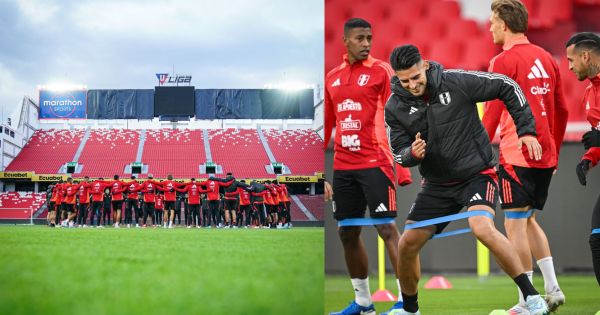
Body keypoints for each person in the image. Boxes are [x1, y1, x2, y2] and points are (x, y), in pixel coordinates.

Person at [384, 44, 548, 315]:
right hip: (436, 185)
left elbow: (506, 85)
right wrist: (411, 154)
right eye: (405, 80)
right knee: (406, 243)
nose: (412, 85)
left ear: (424, 65)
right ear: (397, 78)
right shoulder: (394, 106)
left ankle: (532, 297)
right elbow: (398, 153)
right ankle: (410, 310)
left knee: (481, 227)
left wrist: (526, 130)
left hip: (477, 175)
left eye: (416, 77)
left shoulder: (456, 81)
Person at [482, 0, 568, 310]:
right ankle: (553, 288)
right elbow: (562, 109)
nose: (489, 27)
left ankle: (526, 300)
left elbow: (491, 115)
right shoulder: (547, 58)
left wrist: (476, 153)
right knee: (528, 220)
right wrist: (555, 151)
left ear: (504, 25)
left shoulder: (503, 60)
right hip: (544, 156)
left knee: (514, 224)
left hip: (516, 153)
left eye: (493, 21)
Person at [325, 18, 412, 315]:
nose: (366, 44)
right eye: (360, 38)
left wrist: (401, 166)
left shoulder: (381, 71)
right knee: (347, 232)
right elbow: (325, 127)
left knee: (387, 228)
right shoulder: (332, 77)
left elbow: (398, 119)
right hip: (343, 167)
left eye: (369, 38)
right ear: (346, 41)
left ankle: (406, 302)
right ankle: (363, 302)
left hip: (376, 162)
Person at [565, 32, 600, 285]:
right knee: (597, 239)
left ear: (585, 56)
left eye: (571, 60)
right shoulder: (589, 93)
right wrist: (588, 159)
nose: (569, 66)